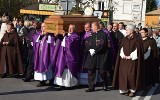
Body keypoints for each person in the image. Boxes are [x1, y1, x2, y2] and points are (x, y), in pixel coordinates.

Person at [112, 24, 145, 97]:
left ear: (131, 30)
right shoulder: (125, 38)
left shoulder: (137, 39)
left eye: (127, 30)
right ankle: (125, 89)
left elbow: (138, 50)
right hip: (124, 60)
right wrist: (123, 55)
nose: (126, 31)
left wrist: (130, 56)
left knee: (131, 75)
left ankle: (132, 90)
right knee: (123, 75)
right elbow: (121, 48)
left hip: (133, 60)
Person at [84, 22, 109, 92]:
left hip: (101, 55)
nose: (91, 28)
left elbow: (102, 44)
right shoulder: (90, 34)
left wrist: (95, 50)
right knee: (90, 71)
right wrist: (89, 49)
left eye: (92, 27)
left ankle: (105, 84)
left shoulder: (103, 34)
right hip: (92, 55)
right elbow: (86, 43)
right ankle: (91, 86)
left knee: (102, 71)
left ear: (96, 27)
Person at [54, 24, 80, 88]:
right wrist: (58, 36)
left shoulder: (76, 36)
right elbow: (61, 42)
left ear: (74, 29)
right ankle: (61, 84)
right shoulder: (67, 35)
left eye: (72, 28)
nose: (70, 29)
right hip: (63, 55)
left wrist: (64, 36)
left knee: (69, 70)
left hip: (70, 57)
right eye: (69, 28)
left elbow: (70, 44)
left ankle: (70, 84)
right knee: (61, 68)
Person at [33, 23, 55, 87]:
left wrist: (47, 36)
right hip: (39, 55)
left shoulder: (50, 35)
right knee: (39, 67)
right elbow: (35, 40)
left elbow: (52, 44)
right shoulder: (38, 34)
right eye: (42, 26)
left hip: (47, 55)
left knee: (48, 67)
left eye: (44, 26)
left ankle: (50, 80)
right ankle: (41, 81)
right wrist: (41, 36)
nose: (42, 28)